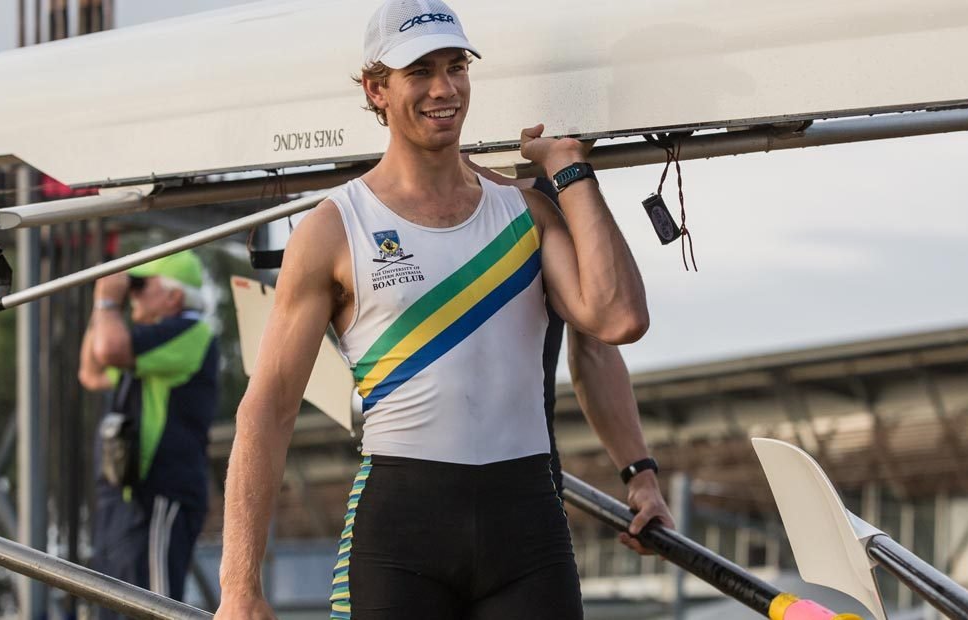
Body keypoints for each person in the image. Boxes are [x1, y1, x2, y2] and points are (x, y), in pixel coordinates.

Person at [217, 0, 651, 617]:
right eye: (419, 72)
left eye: (456, 67)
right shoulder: (336, 227)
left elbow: (618, 319)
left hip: (526, 529)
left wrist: (569, 170)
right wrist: (239, 587)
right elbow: (268, 408)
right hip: (399, 534)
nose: (444, 89)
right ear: (377, 90)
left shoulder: (523, 211)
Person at [466, 161, 675, 556]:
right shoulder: (381, 197)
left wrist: (641, 477)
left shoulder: (555, 195)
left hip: (530, 486)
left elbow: (598, 346)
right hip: (412, 496)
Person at [77, 250, 218, 617]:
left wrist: (108, 302)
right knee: (113, 605)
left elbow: (107, 349)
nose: (133, 295)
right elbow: (91, 371)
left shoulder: (191, 331)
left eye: (142, 287)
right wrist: (105, 304)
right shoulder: (144, 344)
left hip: (159, 494)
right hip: (126, 496)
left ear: (174, 297)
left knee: (150, 609)